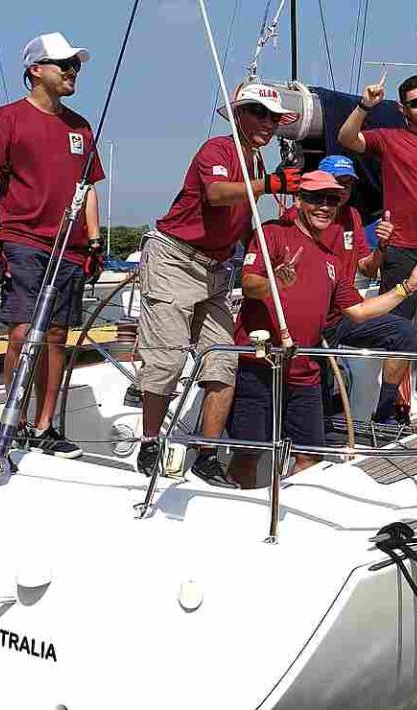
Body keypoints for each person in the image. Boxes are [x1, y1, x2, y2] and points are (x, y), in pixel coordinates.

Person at [135, 79, 302, 487]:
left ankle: (207, 454)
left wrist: (272, 248)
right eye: (258, 113)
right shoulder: (219, 150)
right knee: (166, 358)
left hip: (215, 271)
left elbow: (240, 220)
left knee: (223, 359)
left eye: (274, 117)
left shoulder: (257, 162)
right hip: (174, 257)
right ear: (239, 115)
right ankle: (151, 441)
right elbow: (217, 194)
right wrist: (270, 185)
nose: (267, 123)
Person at [228, 170, 417, 486]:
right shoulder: (271, 233)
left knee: (310, 456)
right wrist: (273, 282)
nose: (324, 206)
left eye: (331, 200)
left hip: (305, 372)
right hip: (261, 367)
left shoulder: (332, 261)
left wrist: (407, 287)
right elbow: (250, 283)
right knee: (248, 454)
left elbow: (361, 310)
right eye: (314, 198)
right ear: (299, 200)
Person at [0, 32, 104, 458]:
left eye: (76, 66)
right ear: (35, 70)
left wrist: (96, 242)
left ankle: (44, 425)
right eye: (63, 64)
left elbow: (87, 188)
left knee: (55, 337)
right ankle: (13, 419)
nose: (72, 72)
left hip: (70, 246)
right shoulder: (7, 118)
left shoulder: (80, 126)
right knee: (20, 332)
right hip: (21, 239)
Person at [337, 73, 417, 411]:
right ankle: (392, 403)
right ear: (403, 109)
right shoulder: (388, 139)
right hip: (401, 248)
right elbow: (347, 138)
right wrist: (365, 105)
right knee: (398, 328)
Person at [311, 154, 417, 425]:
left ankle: (384, 414)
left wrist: (382, 246)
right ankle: (318, 426)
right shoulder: (304, 217)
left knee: (404, 332)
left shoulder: (353, 217)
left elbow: (368, 269)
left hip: (344, 314)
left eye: (348, 183)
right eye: (338, 182)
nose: (343, 189)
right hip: (311, 319)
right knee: (319, 387)